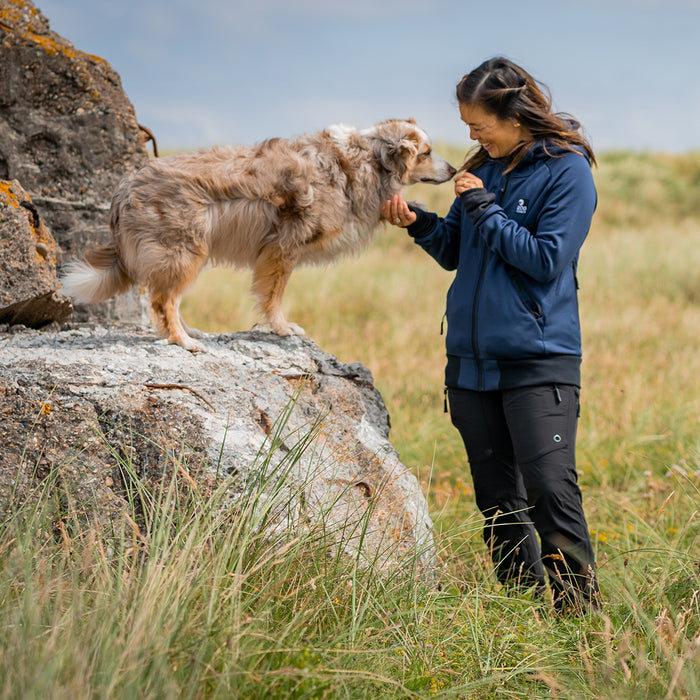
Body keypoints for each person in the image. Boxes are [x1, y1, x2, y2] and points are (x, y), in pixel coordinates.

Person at [382, 56, 600, 613]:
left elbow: (546, 261)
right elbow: (456, 249)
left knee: (550, 491)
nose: (471, 135)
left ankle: (580, 619)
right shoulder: (487, 165)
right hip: (471, 365)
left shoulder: (567, 171)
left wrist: (482, 205)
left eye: (479, 124)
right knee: (499, 502)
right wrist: (423, 224)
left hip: (537, 360)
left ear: (515, 113)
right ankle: (522, 618)